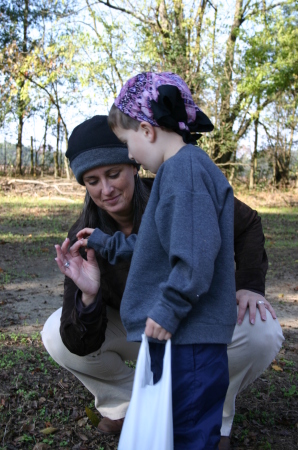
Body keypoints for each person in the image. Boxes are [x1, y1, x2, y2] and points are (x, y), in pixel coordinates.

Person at [41, 113, 283, 449]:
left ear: (134, 164)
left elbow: (246, 224)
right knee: (55, 332)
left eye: (113, 174)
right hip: (136, 328)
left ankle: (217, 415)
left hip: (191, 322)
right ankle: (126, 402)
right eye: (92, 180)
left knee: (261, 329)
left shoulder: (179, 191)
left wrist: (249, 284)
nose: (106, 189)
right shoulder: (83, 235)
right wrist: (89, 296)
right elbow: (79, 344)